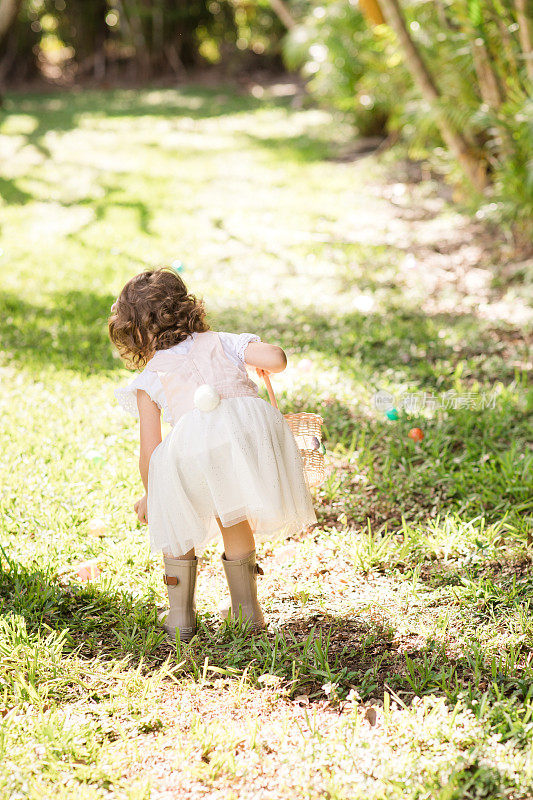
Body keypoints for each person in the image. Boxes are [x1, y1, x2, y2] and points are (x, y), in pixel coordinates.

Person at [108, 267, 317, 640]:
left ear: (135, 332)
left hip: (190, 454)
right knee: (231, 515)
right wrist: (251, 360)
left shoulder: (151, 376)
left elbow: (150, 450)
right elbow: (277, 358)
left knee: (177, 521)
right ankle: (246, 612)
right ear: (188, 309)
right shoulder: (223, 341)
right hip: (244, 441)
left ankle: (180, 617)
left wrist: (155, 494)